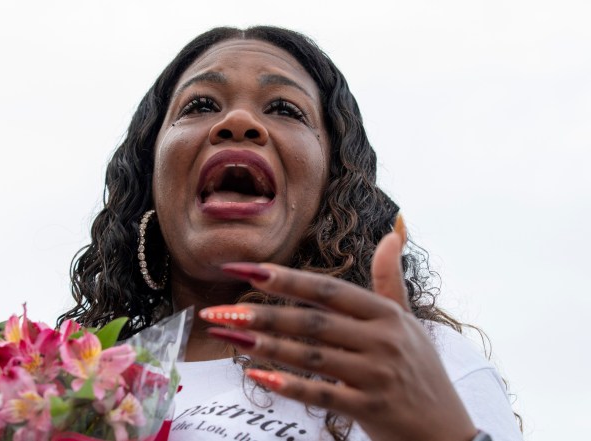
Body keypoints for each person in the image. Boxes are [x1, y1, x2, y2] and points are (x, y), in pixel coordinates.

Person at [58, 26, 523, 441]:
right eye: (201, 105)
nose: (238, 123)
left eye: (285, 108)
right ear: (151, 176)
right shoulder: (71, 384)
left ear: (331, 183)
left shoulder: (413, 361)